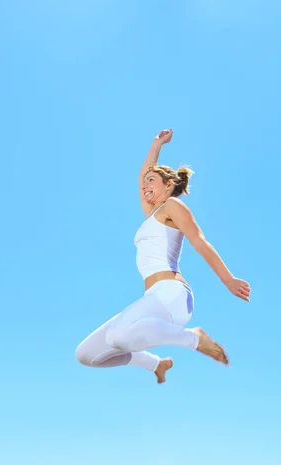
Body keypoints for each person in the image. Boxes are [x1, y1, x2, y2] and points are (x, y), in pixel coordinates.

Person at [76, 129, 250, 384]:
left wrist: (228, 280)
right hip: (153, 297)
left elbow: (199, 242)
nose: (145, 185)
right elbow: (142, 176)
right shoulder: (152, 214)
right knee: (87, 354)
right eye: (144, 182)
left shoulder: (172, 206)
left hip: (173, 295)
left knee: (119, 337)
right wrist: (156, 144)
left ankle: (194, 339)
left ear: (168, 185)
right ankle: (157, 365)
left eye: (152, 181)